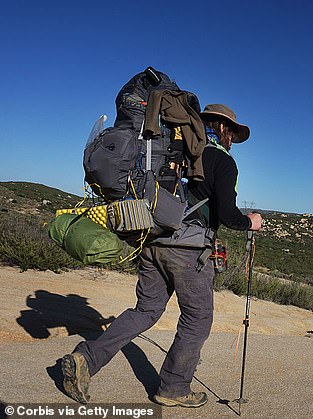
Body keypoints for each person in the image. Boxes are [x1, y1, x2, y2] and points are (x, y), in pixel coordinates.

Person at [61, 104, 263, 408]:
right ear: (222, 128)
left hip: (152, 240)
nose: (233, 137)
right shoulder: (221, 160)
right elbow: (228, 214)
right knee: (197, 319)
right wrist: (251, 221)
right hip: (189, 251)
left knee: (145, 311)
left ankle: (86, 358)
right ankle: (174, 388)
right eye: (232, 131)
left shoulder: (170, 151)